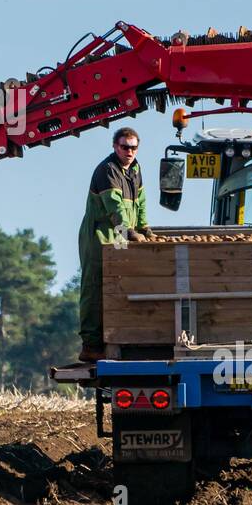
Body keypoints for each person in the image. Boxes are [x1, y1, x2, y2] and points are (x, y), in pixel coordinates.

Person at [77, 128, 153, 361]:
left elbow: (139, 202)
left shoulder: (135, 170)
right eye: (124, 147)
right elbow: (115, 209)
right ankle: (91, 345)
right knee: (95, 287)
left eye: (133, 147)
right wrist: (129, 232)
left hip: (119, 237)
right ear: (115, 146)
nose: (129, 151)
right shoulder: (107, 171)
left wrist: (144, 227)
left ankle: (117, 337)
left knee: (118, 286)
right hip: (100, 237)